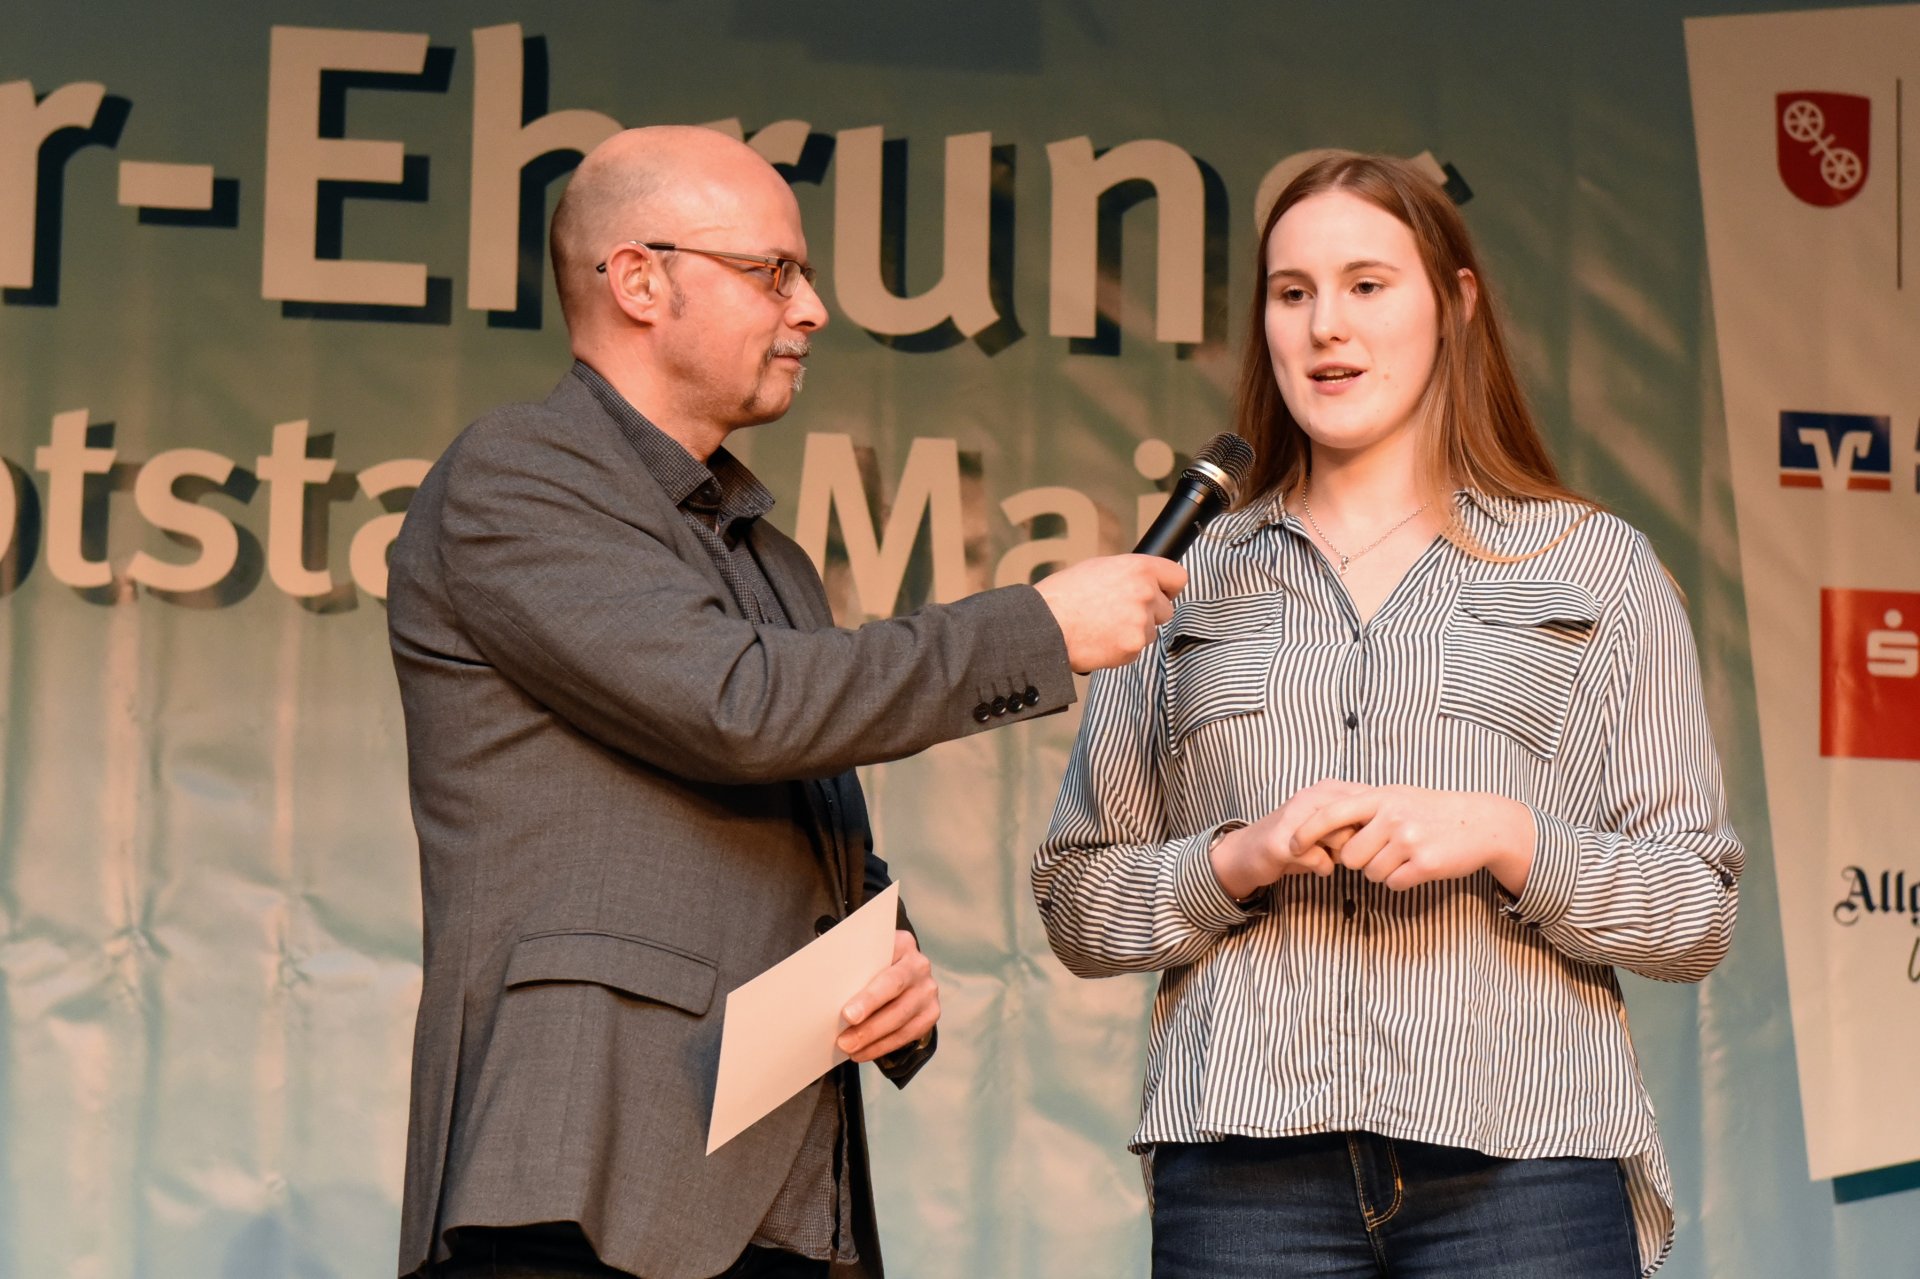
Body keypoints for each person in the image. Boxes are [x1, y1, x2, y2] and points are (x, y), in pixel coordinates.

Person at [386, 125, 1185, 1279]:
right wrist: (1041, 626)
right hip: (583, 1176)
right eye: (774, 273)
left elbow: (801, 820)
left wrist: (889, 961)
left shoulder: (772, 556)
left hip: (780, 1187)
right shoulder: (520, 473)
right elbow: (736, 707)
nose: (811, 309)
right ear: (640, 278)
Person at [1031, 151, 1742, 1279]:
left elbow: (1694, 909)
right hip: (1247, 1174)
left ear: (1454, 304)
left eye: (1369, 285)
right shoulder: (1180, 576)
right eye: (1293, 291)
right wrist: (1239, 858)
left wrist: (1512, 839)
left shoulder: (1593, 565)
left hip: (1528, 1165)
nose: (1327, 328)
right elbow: (1077, 900)